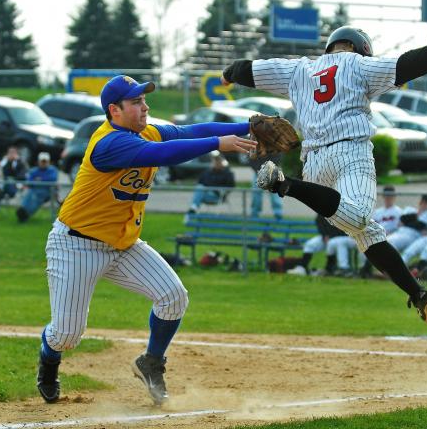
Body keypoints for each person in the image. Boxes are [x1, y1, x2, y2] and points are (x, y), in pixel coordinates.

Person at [222, 26, 427, 322]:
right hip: (350, 153)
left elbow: (245, 70)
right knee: (360, 217)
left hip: (314, 164)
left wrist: (227, 75)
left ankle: (418, 294)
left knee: (367, 232)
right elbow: (409, 63)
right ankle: (286, 184)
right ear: (361, 47)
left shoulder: (299, 69)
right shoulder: (359, 64)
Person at [36, 75, 256, 405]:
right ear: (115, 110)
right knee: (67, 335)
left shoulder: (145, 129)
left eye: (143, 99)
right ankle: (49, 360)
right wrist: (217, 144)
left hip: (122, 244)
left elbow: (186, 132)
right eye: (136, 102)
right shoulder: (109, 143)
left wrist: (247, 125)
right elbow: (165, 153)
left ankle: (151, 362)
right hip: (76, 245)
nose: (145, 106)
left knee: (173, 297)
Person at [358, 185, 402, 277]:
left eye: (390, 195)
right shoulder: (377, 212)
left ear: (394, 196)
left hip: (391, 236)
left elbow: (399, 228)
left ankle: (385, 272)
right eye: (386, 195)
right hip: (375, 236)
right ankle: (364, 269)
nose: (388, 198)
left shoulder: (398, 211)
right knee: (363, 243)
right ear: (383, 196)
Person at [186, 152, 234, 216]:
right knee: (200, 188)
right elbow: (200, 181)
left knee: (199, 192)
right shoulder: (208, 172)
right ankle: (193, 209)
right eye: (214, 160)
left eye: (218, 160)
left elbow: (231, 185)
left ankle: (193, 209)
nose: (216, 162)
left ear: (221, 162)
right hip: (205, 193)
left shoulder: (227, 173)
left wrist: (223, 193)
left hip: (217, 196)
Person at [16, 152, 59, 223]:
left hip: (48, 192)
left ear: (48, 162)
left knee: (36, 196)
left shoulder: (53, 170)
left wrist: (39, 179)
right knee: (29, 194)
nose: (43, 163)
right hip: (34, 190)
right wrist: (42, 180)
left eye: (45, 162)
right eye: (42, 161)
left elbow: (52, 179)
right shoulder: (34, 170)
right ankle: (23, 209)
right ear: (38, 161)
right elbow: (29, 181)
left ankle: (26, 213)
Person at [249, 154, 283, 220]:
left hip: (273, 172)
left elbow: (278, 156)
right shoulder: (255, 145)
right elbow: (250, 158)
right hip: (258, 173)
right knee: (256, 195)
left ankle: (278, 214)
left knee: (275, 195)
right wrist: (258, 169)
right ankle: (254, 214)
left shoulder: (274, 144)